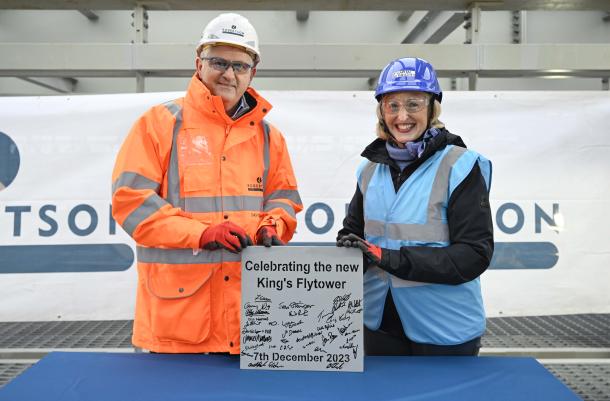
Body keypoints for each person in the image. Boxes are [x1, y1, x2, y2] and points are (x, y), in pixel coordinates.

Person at [111, 13, 302, 354]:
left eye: (240, 66)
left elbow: (283, 199)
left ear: (252, 73)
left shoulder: (270, 137)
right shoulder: (158, 124)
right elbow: (132, 204)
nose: (229, 74)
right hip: (178, 324)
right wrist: (201, 234)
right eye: (219, 62)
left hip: (253, 320)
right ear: (198, 63)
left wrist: (272, 226)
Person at [337, 57, 493, 356]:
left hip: (444, 328)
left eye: (413, 104)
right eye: (392, 105)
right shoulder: (368, 170)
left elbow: (474, 254)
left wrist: (390, 258)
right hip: (378, 324)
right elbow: (354, 232)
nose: (402, 115)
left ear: (432, 108)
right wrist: (347, 247)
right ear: (381, 111)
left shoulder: (460, 165)